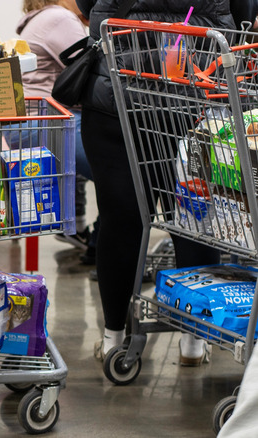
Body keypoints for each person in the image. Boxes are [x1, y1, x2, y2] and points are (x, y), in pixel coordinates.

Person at [76, 0, 258, 364]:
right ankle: (194, 340)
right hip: (194, 96)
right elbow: (245, 11)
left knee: (121, 217)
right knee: (196, 219)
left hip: (117, 95)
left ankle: (113, 337)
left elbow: (85, 3)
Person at [15, 0, 96, 254]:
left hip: (27, 124)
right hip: (45, 124)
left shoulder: (40, 18)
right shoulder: (60, 18)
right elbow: (91, 72)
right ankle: (105, 245)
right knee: (120, 171)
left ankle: (95, 239)